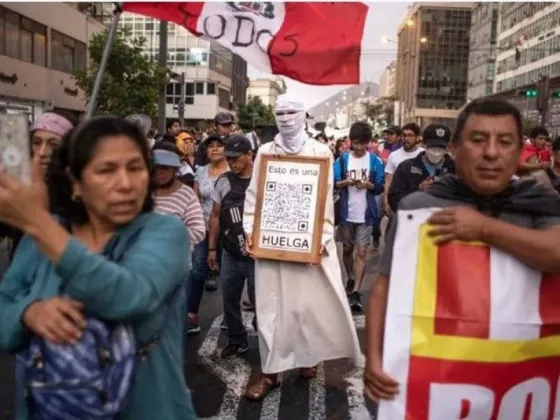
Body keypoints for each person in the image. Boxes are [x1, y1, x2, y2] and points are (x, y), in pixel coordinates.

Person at [364, 98, 560, 404]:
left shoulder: (539, 204)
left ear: (519, 152)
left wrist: (483, 229)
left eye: (505, 142)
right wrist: (374, 358)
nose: (491, 153)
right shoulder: (420, 208)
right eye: (478, 140)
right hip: (441, 379)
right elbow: (384, 289)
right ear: (454, 149)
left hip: (521, 382)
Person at [0, 116, 196, 419]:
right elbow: (4, 307)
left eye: (135, 168)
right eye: (106, 170)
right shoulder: (47, 234)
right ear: (75, 183)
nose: (126, 184)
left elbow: (130, 295)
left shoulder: (165, 232)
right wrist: (28, 312)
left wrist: (35, 221)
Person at [243, 93, 362, 401]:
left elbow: (324, 203)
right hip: (272, 243)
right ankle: (270, 371)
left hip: (308, 244)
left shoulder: (321, 151)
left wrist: (318, 241)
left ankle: (308, 359)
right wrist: (249, 230)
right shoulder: (265, 152)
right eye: (279, 113)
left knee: (306, 306)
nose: (285, 118)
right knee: (270, 308)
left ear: (303, 114)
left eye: (291, 112)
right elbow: (255, 196)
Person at [0, 110, 76, 261]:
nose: (42, 152)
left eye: (53, 144)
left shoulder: (78, 191)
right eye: (37, 142)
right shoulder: (19, 186)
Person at [208, 135, 256, 358]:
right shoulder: (223, 182)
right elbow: (215, 216)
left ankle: (268, 343)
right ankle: (236, 340)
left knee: (262, 303)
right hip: (231, 254)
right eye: (229, 159)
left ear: (249, 155)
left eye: (236, 158)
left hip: (258, 258)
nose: (231, 163)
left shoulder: (263, 179)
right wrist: (211, 249)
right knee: (229, 299)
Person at [334, 121, 384, 311]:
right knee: (347, 249)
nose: (359, 147)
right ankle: (350, 277)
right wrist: (346, 182)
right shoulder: (343, 160)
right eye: (355, 143)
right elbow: (334, 182)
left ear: (368, 142)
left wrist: (368, 185)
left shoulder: (375, 161)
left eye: (362, 143)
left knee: (361, 252)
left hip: (366, 214)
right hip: (347, 213)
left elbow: (379, 186)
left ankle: (356, 291)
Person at [188, 134, 230, 333]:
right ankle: (191, 315)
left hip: (228, 229)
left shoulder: (232, 171)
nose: (214, 149)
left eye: (219, 146)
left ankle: (230, 317)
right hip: (203, 228)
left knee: (229, 275)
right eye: (210, 146)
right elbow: (195, 201)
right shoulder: (201, 172)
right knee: (197, 269)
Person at [388, 124, 455, 212]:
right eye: (432, 146)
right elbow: (394, 199)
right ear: (424, 144)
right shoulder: (406, 167)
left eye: (441, 147)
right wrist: (418, 191)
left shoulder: (456, 170)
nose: (436, 151)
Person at [152, 143, 205, 249]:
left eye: (164, 168)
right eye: (154, 167)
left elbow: (198, 231)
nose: (158, 172)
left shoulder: (187, 195)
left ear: (175, 169)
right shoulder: (140, 190)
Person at [383, 123, 424, 217]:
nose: (406, 138)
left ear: (417, 137)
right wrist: (386, 202)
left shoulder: (423, 155)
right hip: (397, 205)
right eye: (404, 135)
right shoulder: (394, 156)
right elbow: (388, 181)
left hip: (418, 206)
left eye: (410, 135)